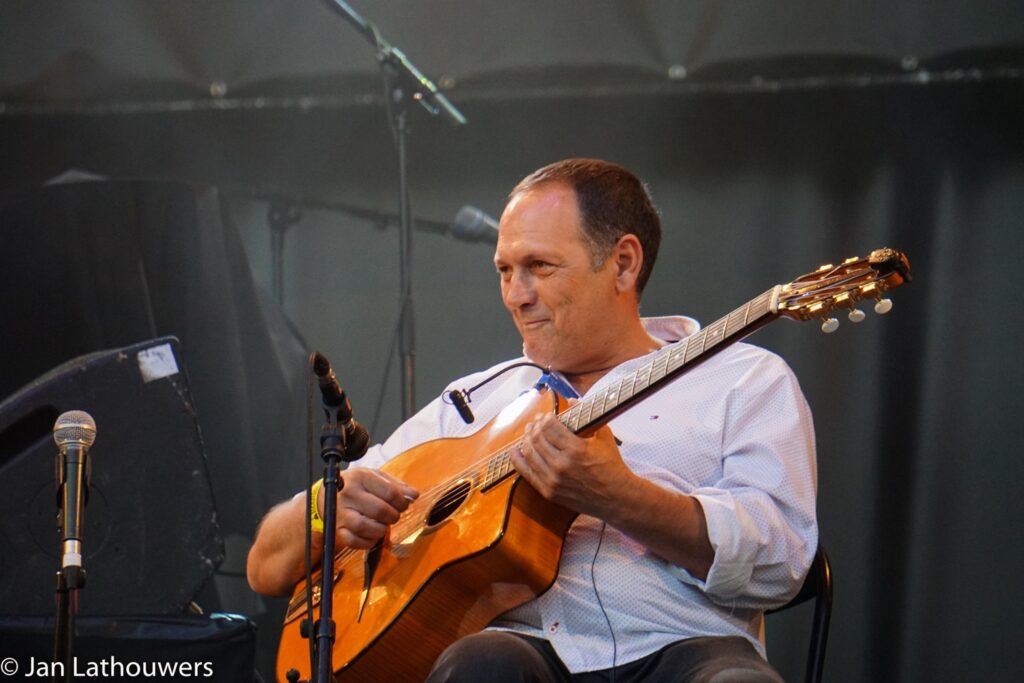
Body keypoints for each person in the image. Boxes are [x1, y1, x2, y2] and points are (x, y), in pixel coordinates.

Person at [247, 159, 817, 682]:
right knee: (479, 666)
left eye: (539, 267)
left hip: (686, 647)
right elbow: (263, 567)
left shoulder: (742, 378)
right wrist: (326, 507)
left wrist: (621, 498)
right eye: (504, 270)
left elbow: (780, 565)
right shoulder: (472, 402)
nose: (516, 295)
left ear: (622, 263)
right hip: (523, 654)